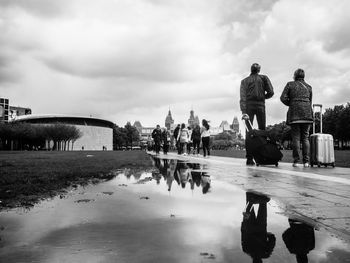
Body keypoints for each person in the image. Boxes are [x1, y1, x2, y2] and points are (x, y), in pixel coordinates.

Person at [240, 63, 274, 165]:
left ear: (251, 70)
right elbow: (271, 92)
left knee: (248, 132)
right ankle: (263, 156)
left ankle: (249, 158)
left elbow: (242, 97)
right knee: (262, 130)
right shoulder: (264, 78)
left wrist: (243, 111)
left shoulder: (244, 81)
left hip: (249, 106)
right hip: (260, 105)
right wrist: (263, 97)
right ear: (259, 70)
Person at [280, 69, 313, 168]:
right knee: (305, 138)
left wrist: (291, 103)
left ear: (294, 76)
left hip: (295, 114)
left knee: (296, 138)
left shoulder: (290, 85)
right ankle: (306, 162)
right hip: (307, 114)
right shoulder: (309, 87)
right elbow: (310, 101)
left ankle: (296, 161)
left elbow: (283, 98)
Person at [241, 192, 276, 263]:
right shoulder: (246, 250)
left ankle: (263, 197)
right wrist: (243, 223)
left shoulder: (266, 253)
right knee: (248, 207)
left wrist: (266, 234)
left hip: (261, 229)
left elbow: (272, 238)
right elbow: (243, 234)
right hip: (249, 228)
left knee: (263, 207)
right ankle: (250, 195)